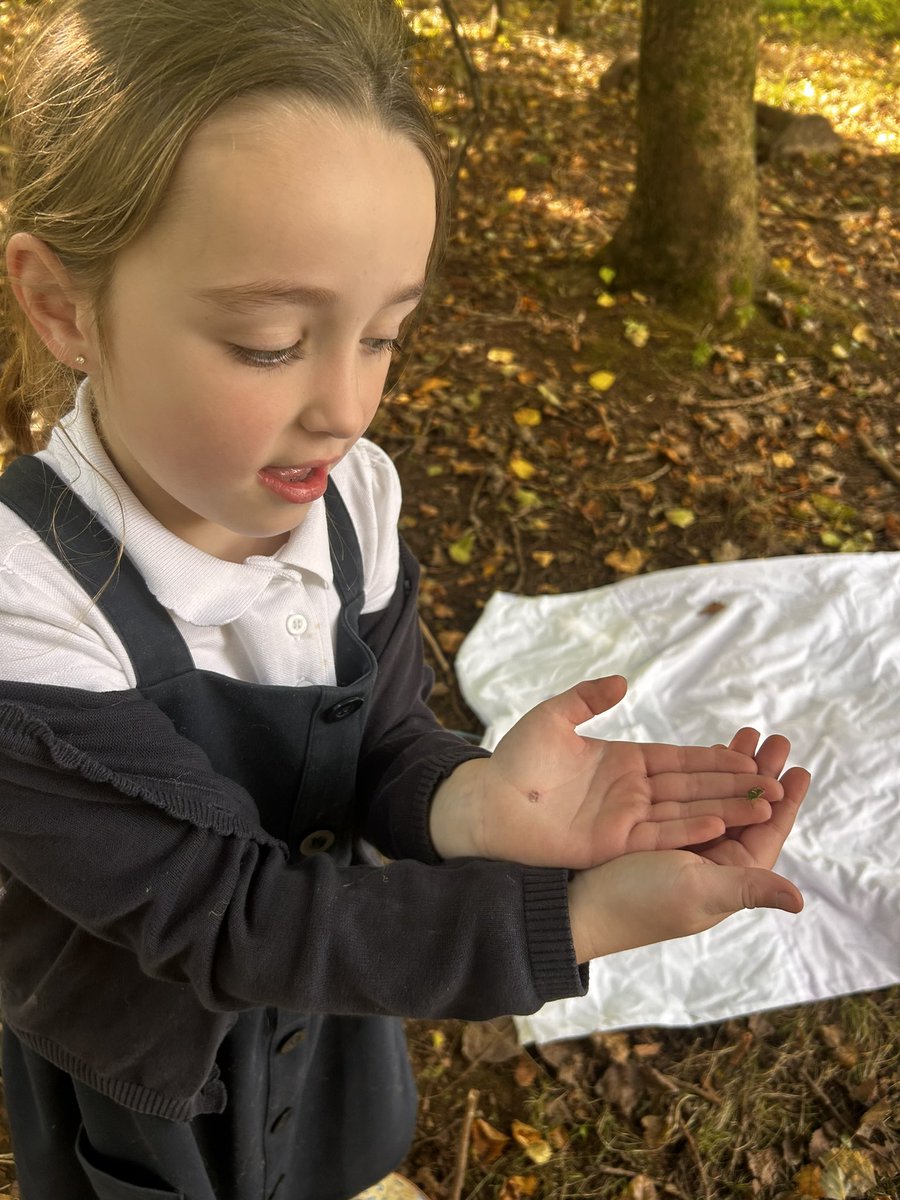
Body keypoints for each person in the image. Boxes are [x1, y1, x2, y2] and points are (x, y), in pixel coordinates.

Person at [0, 2, 810, 1198]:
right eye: (272, 341)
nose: (346, 407)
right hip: (149, 1074)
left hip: (338, 1000)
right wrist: (569, 923)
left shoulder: (345, 502)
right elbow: (228, 917)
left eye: (384, 335)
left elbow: (377, 747)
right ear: (64, 306)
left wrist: (476, 800)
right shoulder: (28, 610)